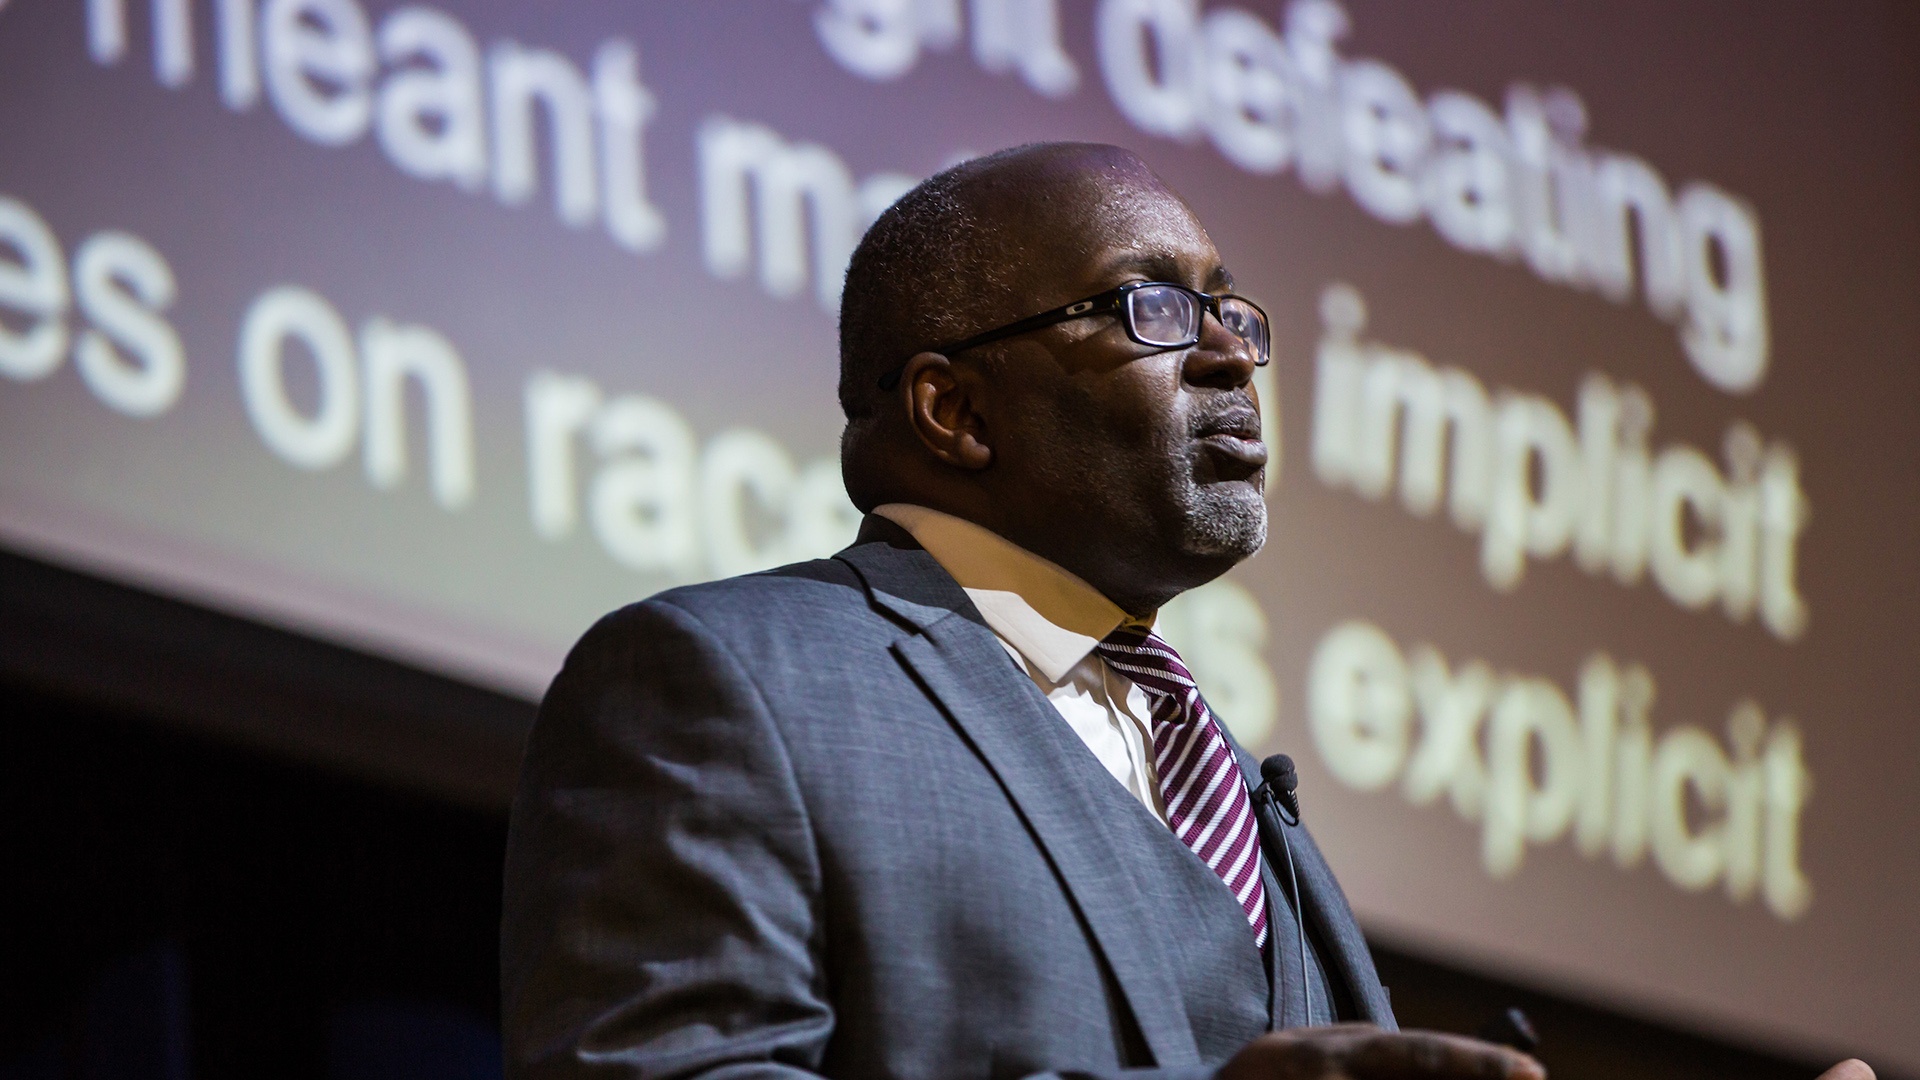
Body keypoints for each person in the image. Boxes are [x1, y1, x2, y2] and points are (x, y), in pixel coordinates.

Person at [499, 143, 1872, 1080]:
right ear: (954, 408)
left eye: (1234, 310)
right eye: (1153, 306)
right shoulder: (728, 682)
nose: (1230, 353)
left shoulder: (1221, 777)